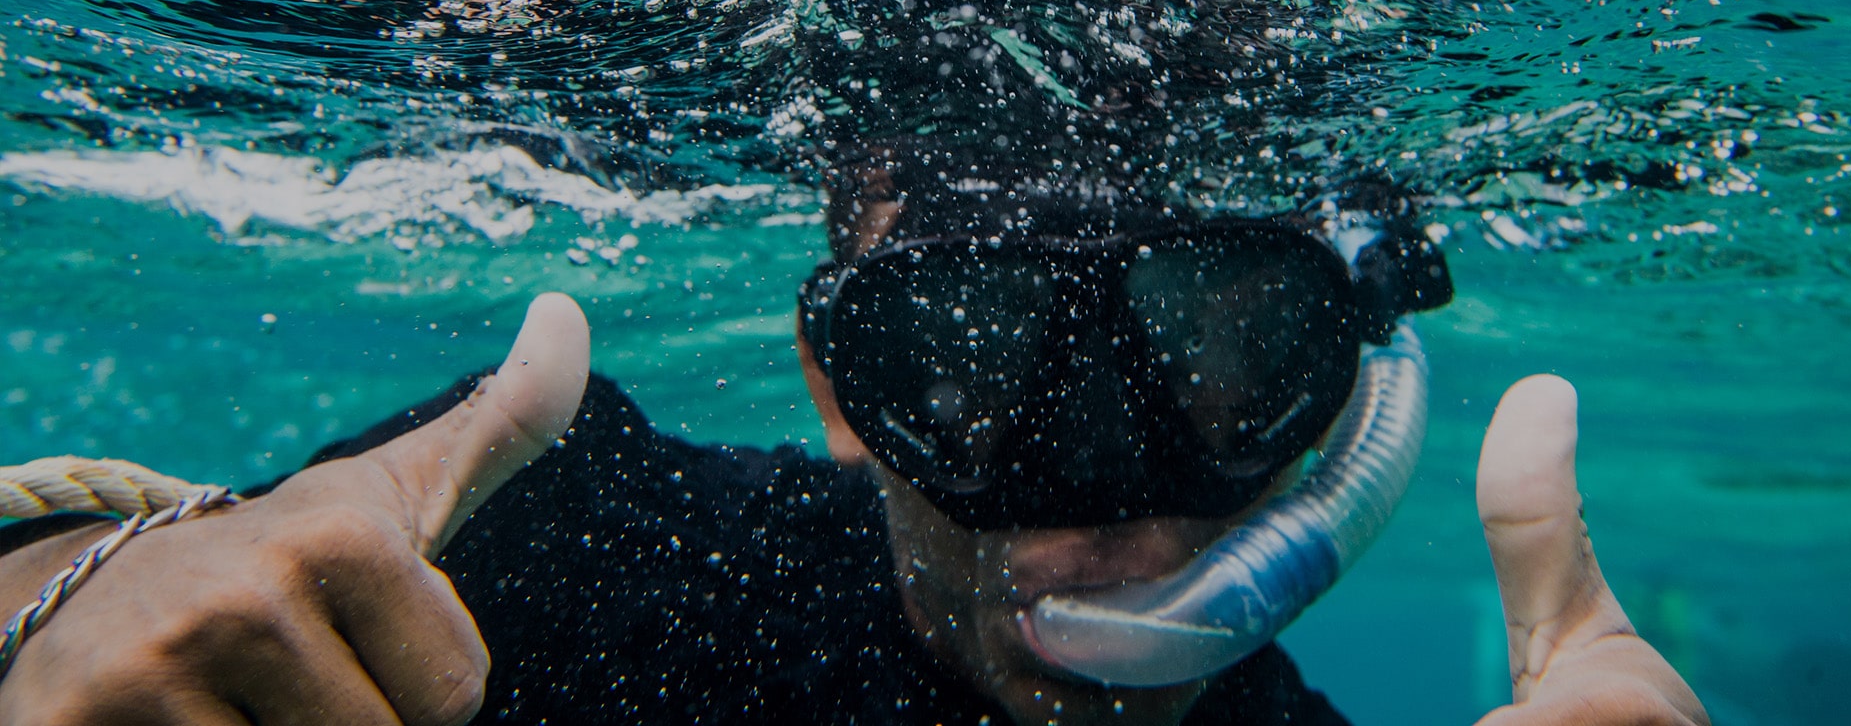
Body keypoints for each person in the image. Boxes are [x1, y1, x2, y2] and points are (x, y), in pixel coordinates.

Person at [0, 145, 1707, 725]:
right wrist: (82, 591)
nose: (1097, 517)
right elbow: (200, 600)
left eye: (1221, 359)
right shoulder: (568, 527)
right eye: (961, 364)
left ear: (1346, 405)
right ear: (835, 388)